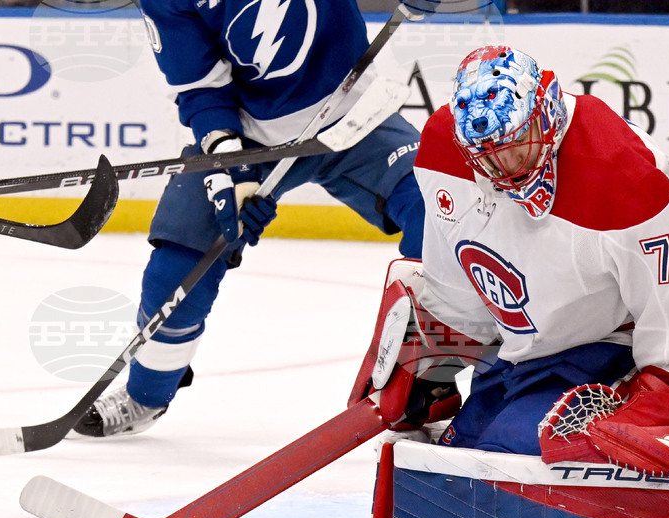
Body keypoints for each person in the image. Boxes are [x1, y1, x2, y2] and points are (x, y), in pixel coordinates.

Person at [350, 46, 669, 518]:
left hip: (604, 340)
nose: (504, 168)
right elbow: (455, 261)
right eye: (487, 157)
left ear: (545, 113)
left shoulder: (617, 168)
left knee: (520, 455)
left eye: (515, 146)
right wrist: (437, 356)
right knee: (462, 456)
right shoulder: (448, 146)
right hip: (522, 343)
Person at [72, 0, 426, 437]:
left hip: (358, 120)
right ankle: (146, 395)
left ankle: (425, 379)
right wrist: (231, 166)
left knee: (438, 216)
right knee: (177, 269)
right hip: (251, 141)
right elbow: (201, 88)